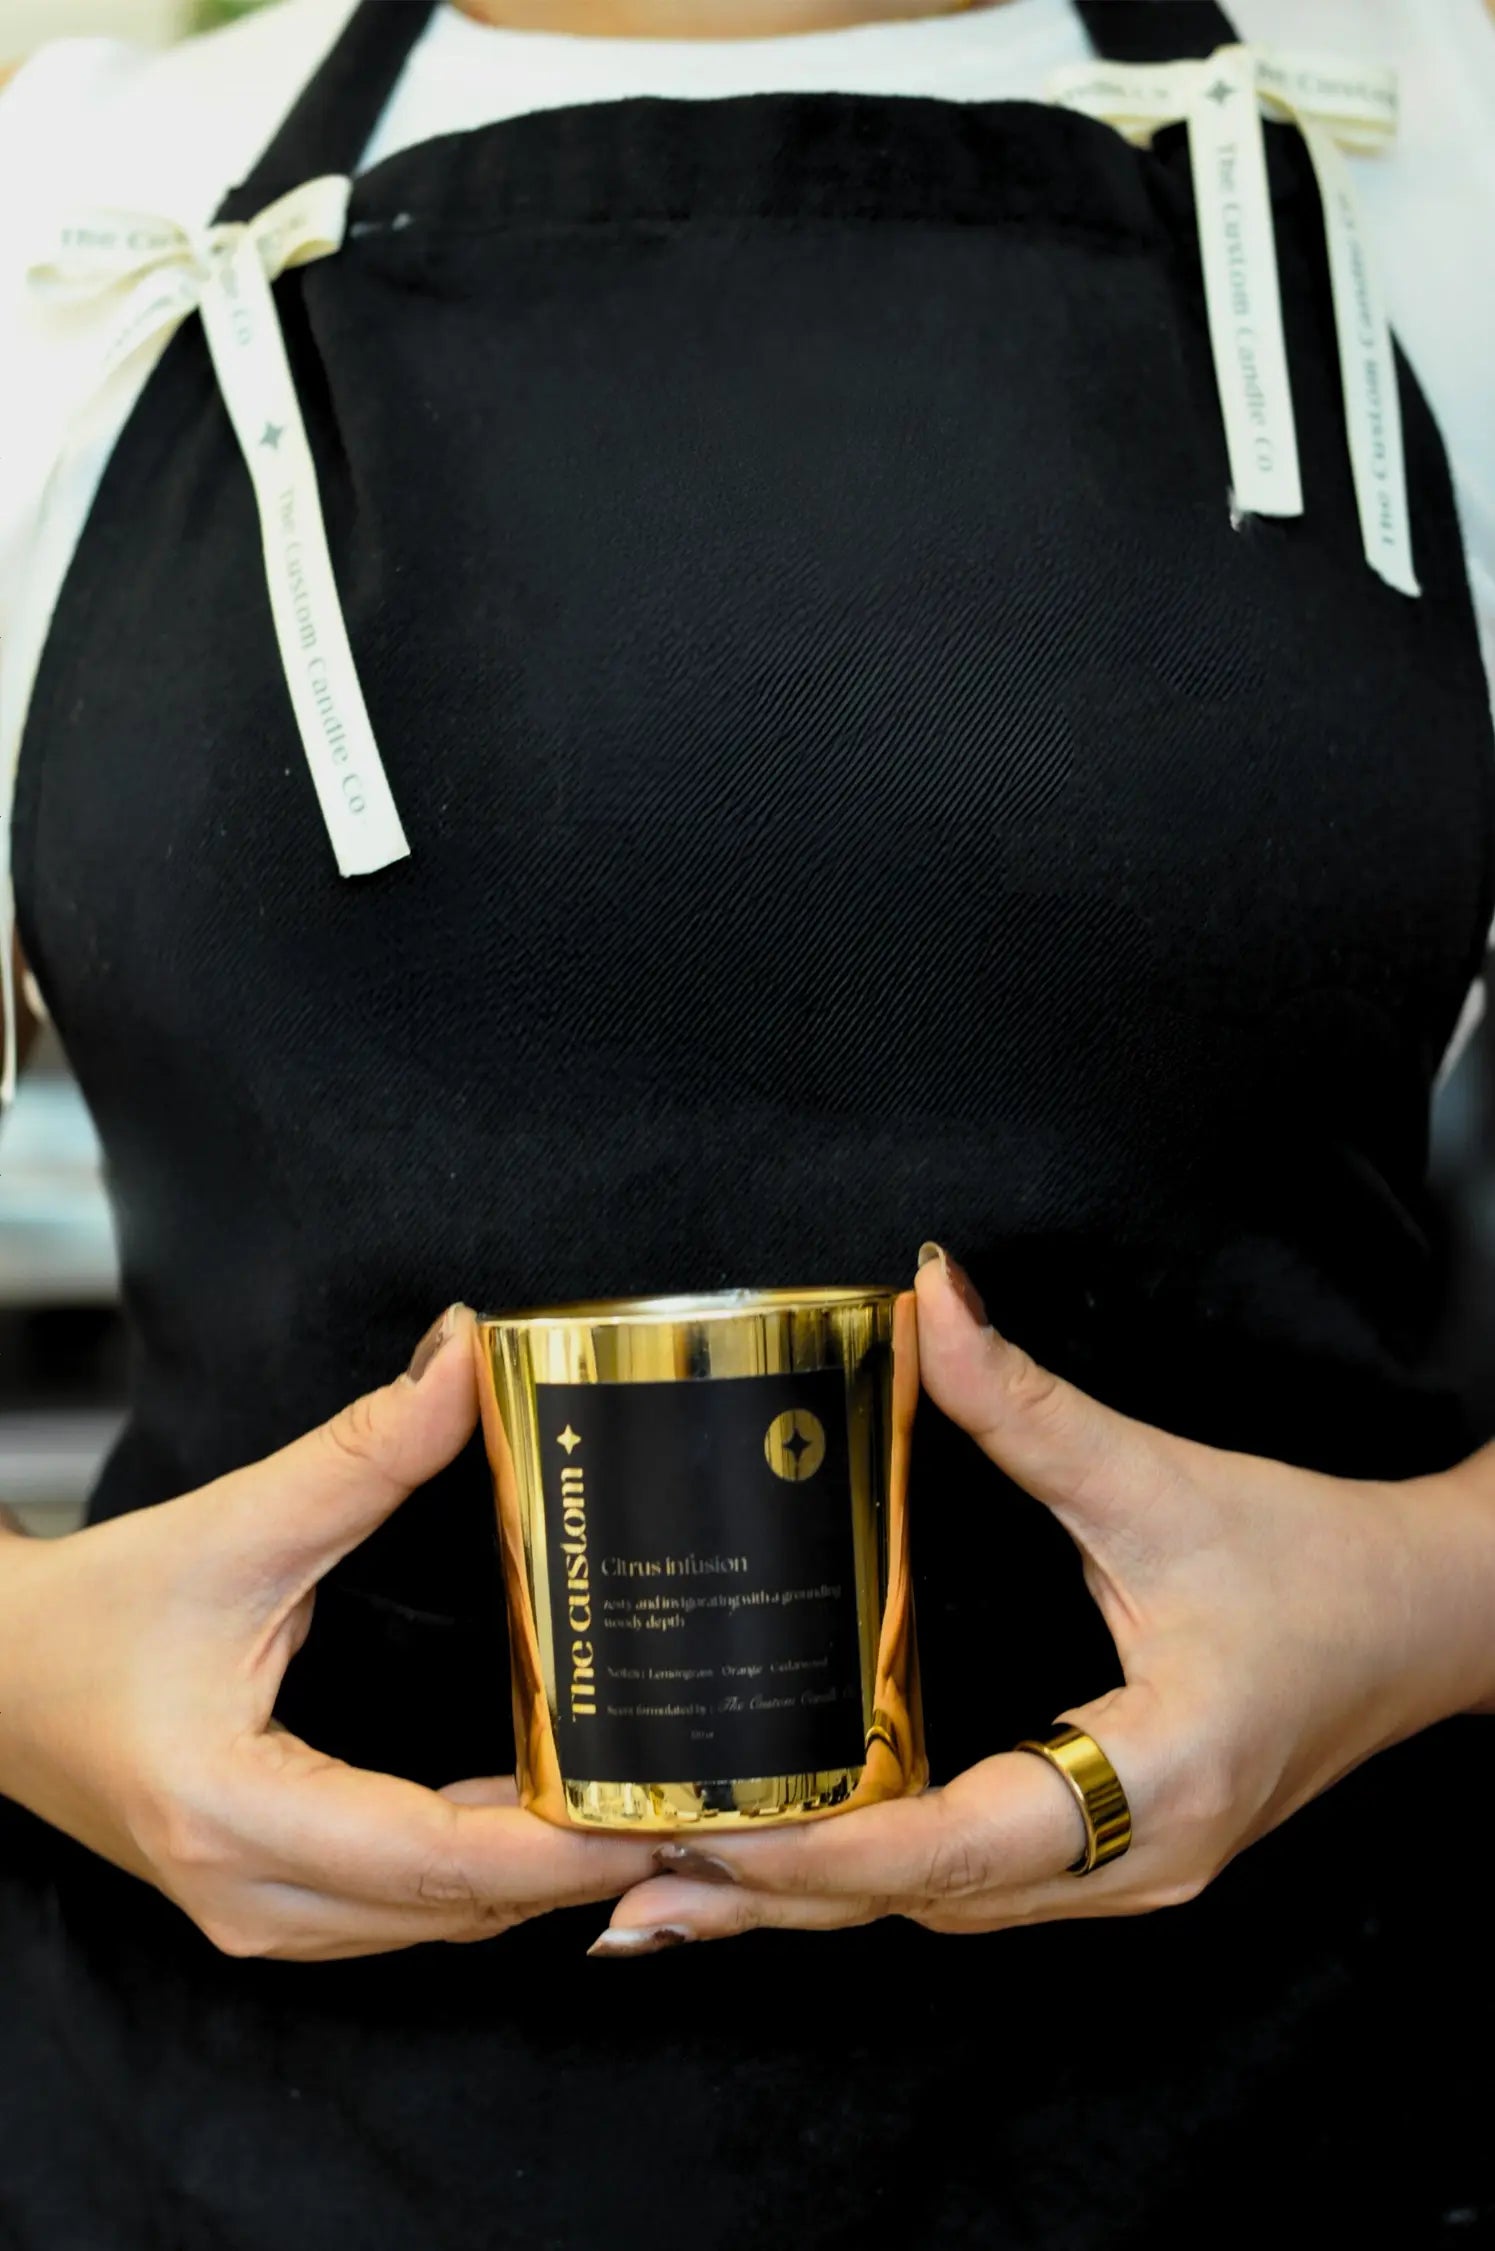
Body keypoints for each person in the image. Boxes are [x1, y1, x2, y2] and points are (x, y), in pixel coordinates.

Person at [1, 0, 1493, 2243]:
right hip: (232, 2150)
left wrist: (1435, 1609)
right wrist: (20, 1683)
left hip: (1322, 2113)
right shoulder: (61, 212)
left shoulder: (1436, 150)